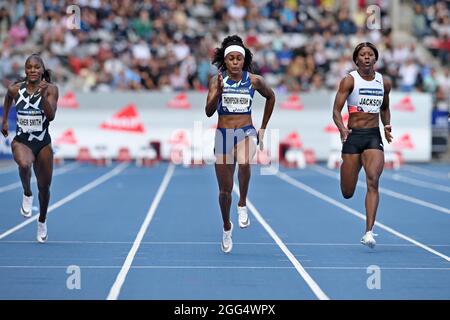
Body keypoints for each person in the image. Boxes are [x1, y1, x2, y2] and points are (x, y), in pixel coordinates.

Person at [205, 35, 275, 253]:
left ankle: (242, 202)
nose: (235, 62)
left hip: (245, 131)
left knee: (245, 162)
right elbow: (208, 112)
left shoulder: (254, 80)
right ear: (225, 61)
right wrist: (217, 92)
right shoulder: (217, 81)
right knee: (224, 192)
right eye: (231, 59)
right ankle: (227, 226)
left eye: (239, 59)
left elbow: (271, 97)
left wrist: (262, 127)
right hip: (223, 135)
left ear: (244, 61)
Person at [332, 42, 392, 249]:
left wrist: (387, 125)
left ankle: (368, 232)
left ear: (375, 59)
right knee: (347, 192)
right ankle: (346, 166)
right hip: (353, 136)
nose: (366, 57)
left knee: (373, 180)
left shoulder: (384, 82)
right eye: (362, 55)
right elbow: (336, 111)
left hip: (373, 137)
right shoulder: (349, 80)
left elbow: (385, 108)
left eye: (370, 54)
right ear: (356, 59)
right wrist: (342, 129)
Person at [1, 53, 59, 243]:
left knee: (44, 187)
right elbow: (8, 99)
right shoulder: (16, 89)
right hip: (22, 140)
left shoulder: (51, 89)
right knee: (24, 165)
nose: (33, 70)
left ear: (42, 70)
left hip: (42, 142)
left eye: (36, 67)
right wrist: (4, 122)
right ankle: (27, 192)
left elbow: (50, 117)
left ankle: (42, 221)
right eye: (29, 67)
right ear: (25, 70)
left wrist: (42, 96)